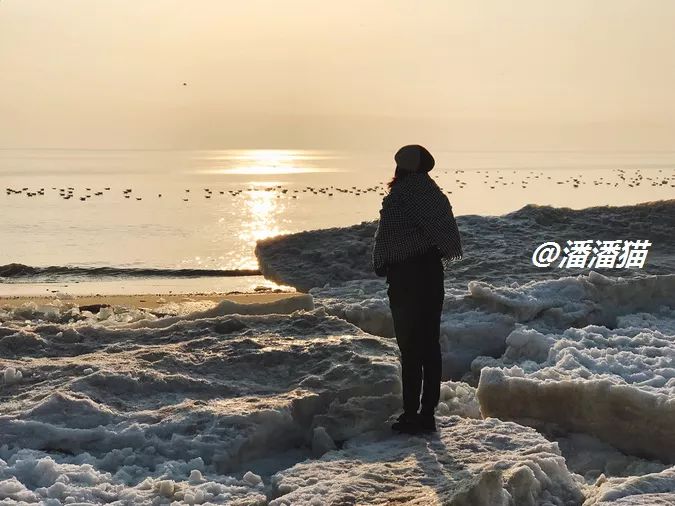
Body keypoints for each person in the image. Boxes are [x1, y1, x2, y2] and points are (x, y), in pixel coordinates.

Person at [372, 145, 463, 434]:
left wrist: (384, 260)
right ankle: (427, 413)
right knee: (429, 345)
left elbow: (388, 239)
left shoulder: (400, 196)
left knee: (410, 347)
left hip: (406, 278)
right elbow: (446, 236)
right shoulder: (435, 196)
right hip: (431, 274)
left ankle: (411, 413)